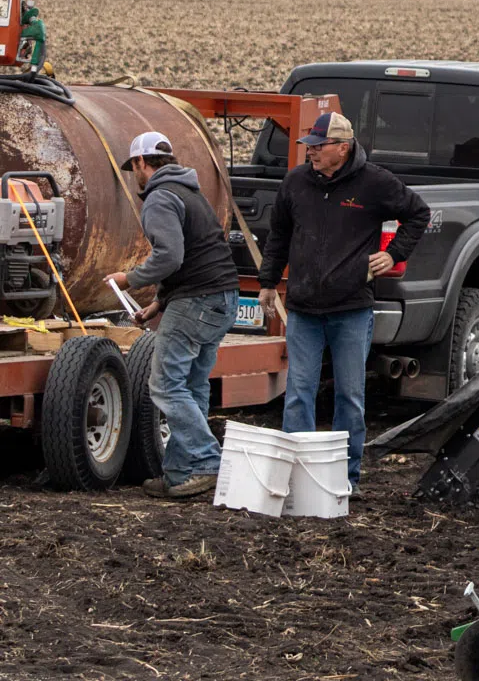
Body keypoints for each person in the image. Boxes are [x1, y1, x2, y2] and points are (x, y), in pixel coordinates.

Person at [257, 111, 431, 488]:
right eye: (310, 147)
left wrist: (395, 254)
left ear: (342, 147)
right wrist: (269, 282)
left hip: (351, 309)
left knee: (349, 398)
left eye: (319, 147)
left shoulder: (375, 183)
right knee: (298, 395)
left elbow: (418, 214)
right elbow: (279, 235)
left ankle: (344, 479)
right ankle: (295, 479)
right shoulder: (296, 182)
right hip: (303, 309)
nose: (311, 153)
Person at [109, 132, 240, 500]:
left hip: (197, 301)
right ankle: (182, 474)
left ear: (140, 163)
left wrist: (129, 279)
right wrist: (160, 303)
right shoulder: (190, 192)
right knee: (192, 386)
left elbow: (170, 257)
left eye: (133, 166)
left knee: (166, 386)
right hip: (222, 297)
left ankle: (207, 461)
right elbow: (193, 254)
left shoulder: (158, 198)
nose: (134, 174)